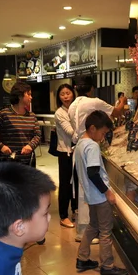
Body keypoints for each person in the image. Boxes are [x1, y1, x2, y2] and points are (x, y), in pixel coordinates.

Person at [75, 110, 128, 275]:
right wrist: (108, 193)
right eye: (103, 133)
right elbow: (93, 173)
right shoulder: (92, 146)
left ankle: (82, 258)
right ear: (92, 128)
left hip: (91, 195)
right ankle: (108, 266)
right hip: (99, 196)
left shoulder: (80, 144)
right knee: (105, 231)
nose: (103, 136)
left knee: (93, 226)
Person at [0, 82, 40, 166]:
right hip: (9, 161)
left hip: (28, 161)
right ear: (20, 96)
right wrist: (1, 146)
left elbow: (37, 135)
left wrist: (30, 146)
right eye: (28, 94)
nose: (31, 97)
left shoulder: (32, 116)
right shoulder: (4, 114)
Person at [68, 77, 126, 144]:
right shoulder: (94, 102)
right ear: (92, 88)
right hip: (90, 143)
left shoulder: (71, 106)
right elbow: (117, 113)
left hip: (78, 144)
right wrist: (123, 101)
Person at [54, 84, 78, 229]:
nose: (65, 96)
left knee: (76, 181)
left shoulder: (76, 110)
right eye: (62, 94)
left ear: (73, 94)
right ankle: (63, 216)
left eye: (68, 93)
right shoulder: (59, 113)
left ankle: (75, 210)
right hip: (65, 152)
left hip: (77, 152)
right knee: (65, 185)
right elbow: (71, 132)